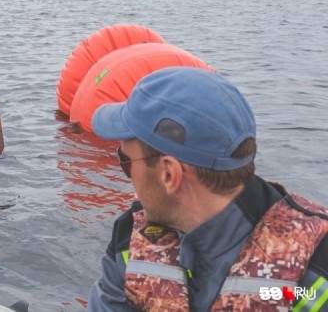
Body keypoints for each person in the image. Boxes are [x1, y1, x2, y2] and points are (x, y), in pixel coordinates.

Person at [86, 66, 328, 312]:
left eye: (126, 161)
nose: (128, 178)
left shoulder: (316, 270)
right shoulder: (128, 244)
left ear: (169, 174)